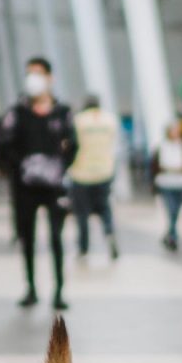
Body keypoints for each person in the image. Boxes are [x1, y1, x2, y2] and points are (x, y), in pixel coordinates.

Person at [0, 57, 77, 310]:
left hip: (53, 187)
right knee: (27, 237)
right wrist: (21, 167)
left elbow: (73, 145)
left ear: (50, 78)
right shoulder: (17, 113)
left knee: (56, 237)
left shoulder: (62, 113)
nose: (33, 79)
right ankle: (30, 287)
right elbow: (4, 146)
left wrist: (59, 167)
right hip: (24, 188)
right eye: (29, 73)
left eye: (38, 73)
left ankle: (59, 289)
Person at [67, 94, 120, 259]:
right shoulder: (110, 120)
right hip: (104, 171)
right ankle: (109, 233)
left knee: (82, 212)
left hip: (81, 172)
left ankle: (83, 246)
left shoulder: (78, 120)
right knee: (104, 208)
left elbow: (71, 144)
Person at [152, 119, 182, 251]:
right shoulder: (161, 147)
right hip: (166, 183)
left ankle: (170, 233)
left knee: (177, 210)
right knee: (171, 210)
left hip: (180, 183)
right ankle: (173, 237)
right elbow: (156, 165)